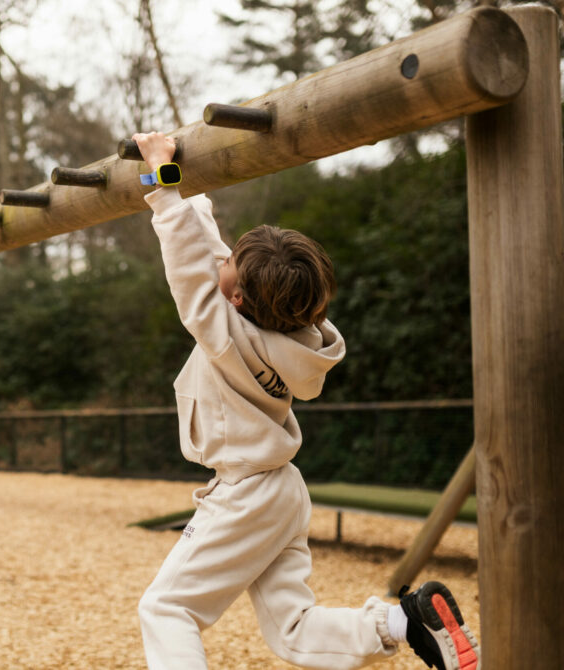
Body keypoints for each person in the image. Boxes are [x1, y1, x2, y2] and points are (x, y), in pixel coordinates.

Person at [131, 132, 480, 670]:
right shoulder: (293, 338)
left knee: (167, 608)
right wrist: (190, 192)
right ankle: (402, 622)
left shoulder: (219, 327)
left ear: (237, 297)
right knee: (292, 630)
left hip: (246, 491)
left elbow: (184, 250)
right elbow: (212, 252)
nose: (220, 259)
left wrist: (161, 175)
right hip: (282, 489)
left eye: (230, 265)